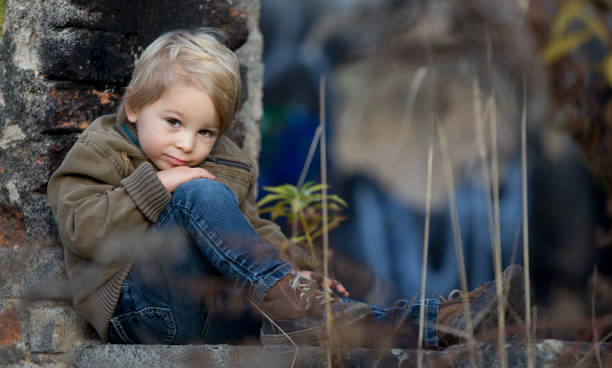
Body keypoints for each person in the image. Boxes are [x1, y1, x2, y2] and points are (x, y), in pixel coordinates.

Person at [47, 28, 525, 348]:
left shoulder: (227, 162)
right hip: (144, 313)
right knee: (200, 194)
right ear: (133, 106)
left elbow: (249, 231)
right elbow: (84, 231)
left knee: (314, 311)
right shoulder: (102, 149)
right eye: (173, 122)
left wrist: (298, 267)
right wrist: (161, 184)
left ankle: (424, 324)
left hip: (218, 312)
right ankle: (304, 307)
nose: (188, 145)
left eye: (206, 132)